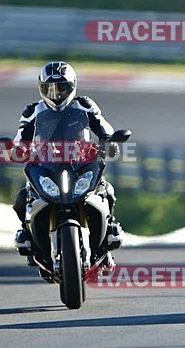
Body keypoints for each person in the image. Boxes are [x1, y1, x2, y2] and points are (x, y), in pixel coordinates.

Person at [12, 61, 122, 260]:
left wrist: (109, 142)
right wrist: (17, 150)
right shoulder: (32, 112)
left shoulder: (85, 105)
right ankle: (28, 236)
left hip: (80, 163)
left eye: (62, 87)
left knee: (108, 191)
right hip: (47, 164)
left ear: (72, 86)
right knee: (22, 198)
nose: (57, 93)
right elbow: (20, 138)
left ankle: (109, 231)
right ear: (42, 88)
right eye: (51, 88)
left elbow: (104, 128)